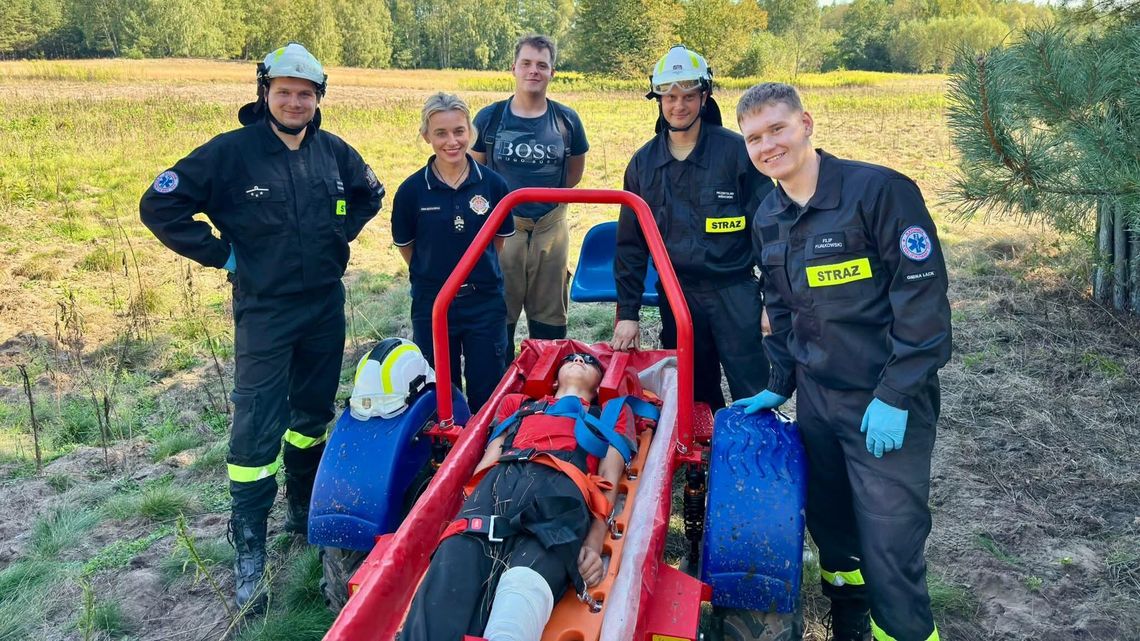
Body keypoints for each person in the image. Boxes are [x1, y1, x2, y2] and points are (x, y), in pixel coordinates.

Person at [139, 43, 384, 614]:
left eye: (306, 93)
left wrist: (336, 236)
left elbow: (369, 194)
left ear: (318, 97)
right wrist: (225, 257)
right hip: (265, 311)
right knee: (256, 428)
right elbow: (160, 206)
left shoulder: (334, 152)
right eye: (284, 92)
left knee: (312, 415)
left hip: (325, 304)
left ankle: (301, 509)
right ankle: (249, 549)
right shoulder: (231, 155)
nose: (295, 102)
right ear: (265, 93)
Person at [734, 82, 952, 641]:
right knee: (831, 524)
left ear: (805, 123)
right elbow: (781, 309)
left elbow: (923, 307)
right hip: (818, 399)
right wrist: (780, 381)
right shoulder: (769, 216)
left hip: (883, 401)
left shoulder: (879, 193)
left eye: (776, 128)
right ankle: (849, 615)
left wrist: (896, 395)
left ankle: (902, 631)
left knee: (890, 539)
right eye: (754, 138)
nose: (767, 145)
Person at [402, 352, 635, 641]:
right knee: (443, 598)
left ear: (600, 386)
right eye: (571, 358)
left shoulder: (611, 413)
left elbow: (609, 478)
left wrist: (594, 538)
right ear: (552, 382)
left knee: (519, 605)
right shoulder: (518, 404)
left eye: (589, 361)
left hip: (561, 493)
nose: (578, 360)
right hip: (500, 483)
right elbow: (490, 457)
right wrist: (469, 506)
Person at [611, 45, 772, 411]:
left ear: (705, 96)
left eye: (687, 96)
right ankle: (704, 457)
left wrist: (773, 301)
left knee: (753, 385)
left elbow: (772, 232)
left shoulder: (737, 154)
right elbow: (630, 247)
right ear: (658, 100)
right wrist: (629, 313)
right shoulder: (643, 164)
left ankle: (757, 457)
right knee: (695, 389)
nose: (678, 105)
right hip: (677, 294)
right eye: (669, 97)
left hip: (735, 292)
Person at [392, 92, 515, 413]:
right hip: (432, 304)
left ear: (470, 131)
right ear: (426, 136)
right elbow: (409, 249)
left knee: (486, 389)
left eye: (459, 131)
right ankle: (444, 455)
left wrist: (472, 275)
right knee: (437, 390)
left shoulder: (493, 186)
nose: (452, 141)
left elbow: (496, 243)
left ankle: (483, 452)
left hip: (484, 302)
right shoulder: (410, 191)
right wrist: (440, 277)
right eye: (441, 133)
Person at [471, 34, 590, 346]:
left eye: (542, 65)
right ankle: (499, 388)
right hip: (502, 228)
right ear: (514, 68)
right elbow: (475, 176)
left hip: (552, 227)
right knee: (498, 315)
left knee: (550, 322)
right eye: (526, 63)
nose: (533, 71)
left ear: (552, 72)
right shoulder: (489, 118)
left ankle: (549, 388)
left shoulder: (567, 120)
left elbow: (573, 175)